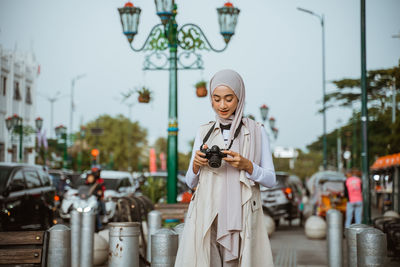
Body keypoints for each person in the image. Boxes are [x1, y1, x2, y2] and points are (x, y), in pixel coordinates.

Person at [175, 69, 276, 267]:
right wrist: (196, 165)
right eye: (217, 98)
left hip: (242, 214)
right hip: (208, 214)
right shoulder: (204, 131)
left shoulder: (256, 130)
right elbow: (190, 181)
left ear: (239, 98)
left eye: (229, 99)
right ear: (211, 99)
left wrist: (248, 165)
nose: (222, 105)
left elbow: (271, 180)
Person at [86, 167, 105, 231]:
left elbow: (100, 192)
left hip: (95, 200)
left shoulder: (99, 182)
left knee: (96, 211)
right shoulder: (87, 183)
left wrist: (98, 195)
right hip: (86, 201)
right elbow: (83, 191)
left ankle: (100, 225)